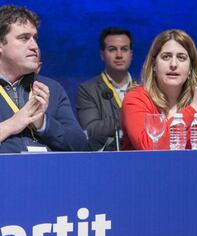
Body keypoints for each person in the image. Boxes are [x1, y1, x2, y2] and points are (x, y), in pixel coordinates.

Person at [121, 29, 197, 150]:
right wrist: (193, 109)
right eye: (166, 57)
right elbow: (149, 147)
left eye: (181, 58)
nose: (173, 64)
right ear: (154, 65)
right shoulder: (136, 98)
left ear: (190, 69)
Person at [0, 5, 87, 153]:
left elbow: (80, 145)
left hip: (48, 173)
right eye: (24, 38)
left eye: (35, 38)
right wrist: (11, 125)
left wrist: (43, 123)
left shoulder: (51, 88)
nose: (34, 46)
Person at [77, 27, 135, 151]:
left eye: (124, 49)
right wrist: (133, 113)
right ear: (102, 55)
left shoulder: (144, 89)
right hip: (105, 158)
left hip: (139, 155)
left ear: (131, 54)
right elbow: (92, 128)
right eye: (112, 49)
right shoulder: (88, 89)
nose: (119, 55)